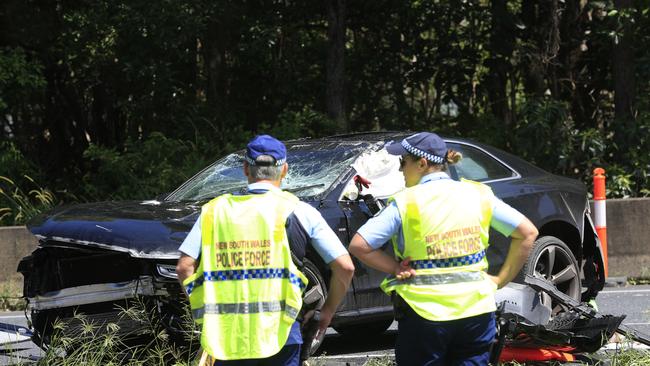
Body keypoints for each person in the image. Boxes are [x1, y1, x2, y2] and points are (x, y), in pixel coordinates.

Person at [349, 132, 538, 366]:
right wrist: (501, 279)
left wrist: (395, 267)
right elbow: (527, 233)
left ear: (422, 163)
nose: (400, 170)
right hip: (476, 312)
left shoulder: (406, 202)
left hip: (424, 315)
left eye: (403, 162)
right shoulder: (478, 194)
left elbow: (359, 245)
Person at [176, 134, 355, 366]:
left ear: (245, 169)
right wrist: (328, 312)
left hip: (225, 339)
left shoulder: (213, 212)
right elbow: (345, 267)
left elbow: (184, 267)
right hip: (281, 337)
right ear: (285, 170)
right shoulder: (299, 210)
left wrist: (203, 313)